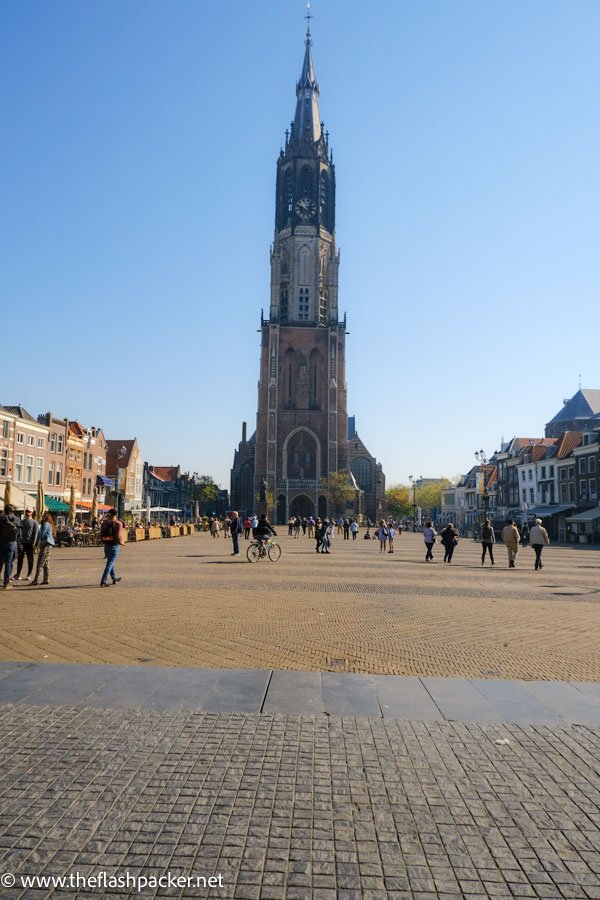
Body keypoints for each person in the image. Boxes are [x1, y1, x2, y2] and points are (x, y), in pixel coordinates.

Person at [99, 508, 124, 587]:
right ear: (116, 515)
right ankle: (103, 580)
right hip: (114, 546)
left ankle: (114, 578)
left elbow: (101, 534)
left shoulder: (104, 523)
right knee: (110, 563)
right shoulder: (118, 523)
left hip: (106, 546)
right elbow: (118, 535)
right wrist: (121, 542)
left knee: (110, 562)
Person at [14, 509, 40, 581]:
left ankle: (29, 574)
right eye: (26, 511)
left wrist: (34, 543)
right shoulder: (22, 522)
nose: (27, 513)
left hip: (30, 543)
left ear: (31, 513)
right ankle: (18, 574)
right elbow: (18, 532)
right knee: (20, 559)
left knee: (30, 559)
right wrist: (18, 540)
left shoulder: (35, 522)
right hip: (22, 543)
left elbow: (36, 533)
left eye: (29, 511)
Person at [31, 512, 56, 586]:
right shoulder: (49, 524)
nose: (42, 517)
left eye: (43, 516)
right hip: (48, 544)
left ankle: (36, 579)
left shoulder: (45, 524)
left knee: (40, 562)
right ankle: (46, 579)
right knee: (46, 563)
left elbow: (42, 534)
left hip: (46, 544)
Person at [0, 504, 21, 590]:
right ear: (13, 510)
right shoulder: (16, 519)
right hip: (11, 543)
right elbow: (19, 533)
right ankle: (6, 583)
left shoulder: (1, 518)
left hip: (1, 542)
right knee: (9, 563)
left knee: (0, 562)